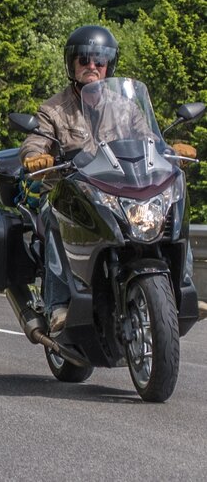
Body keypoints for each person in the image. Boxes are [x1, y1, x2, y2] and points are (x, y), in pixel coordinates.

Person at [19, 25, 198, 333]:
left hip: (119, 189)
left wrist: (170, 151)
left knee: (173, 208)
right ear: (72, 64)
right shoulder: (54, 109)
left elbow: (148, 139)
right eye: (85, 59)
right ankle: (59, 303)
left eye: (99, 61)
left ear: (108, 66)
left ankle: (182, 285)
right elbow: (37, 140)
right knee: (52, 217)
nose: (92, 66)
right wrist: (36, 155)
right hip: (72, 191)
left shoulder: (125, 107)